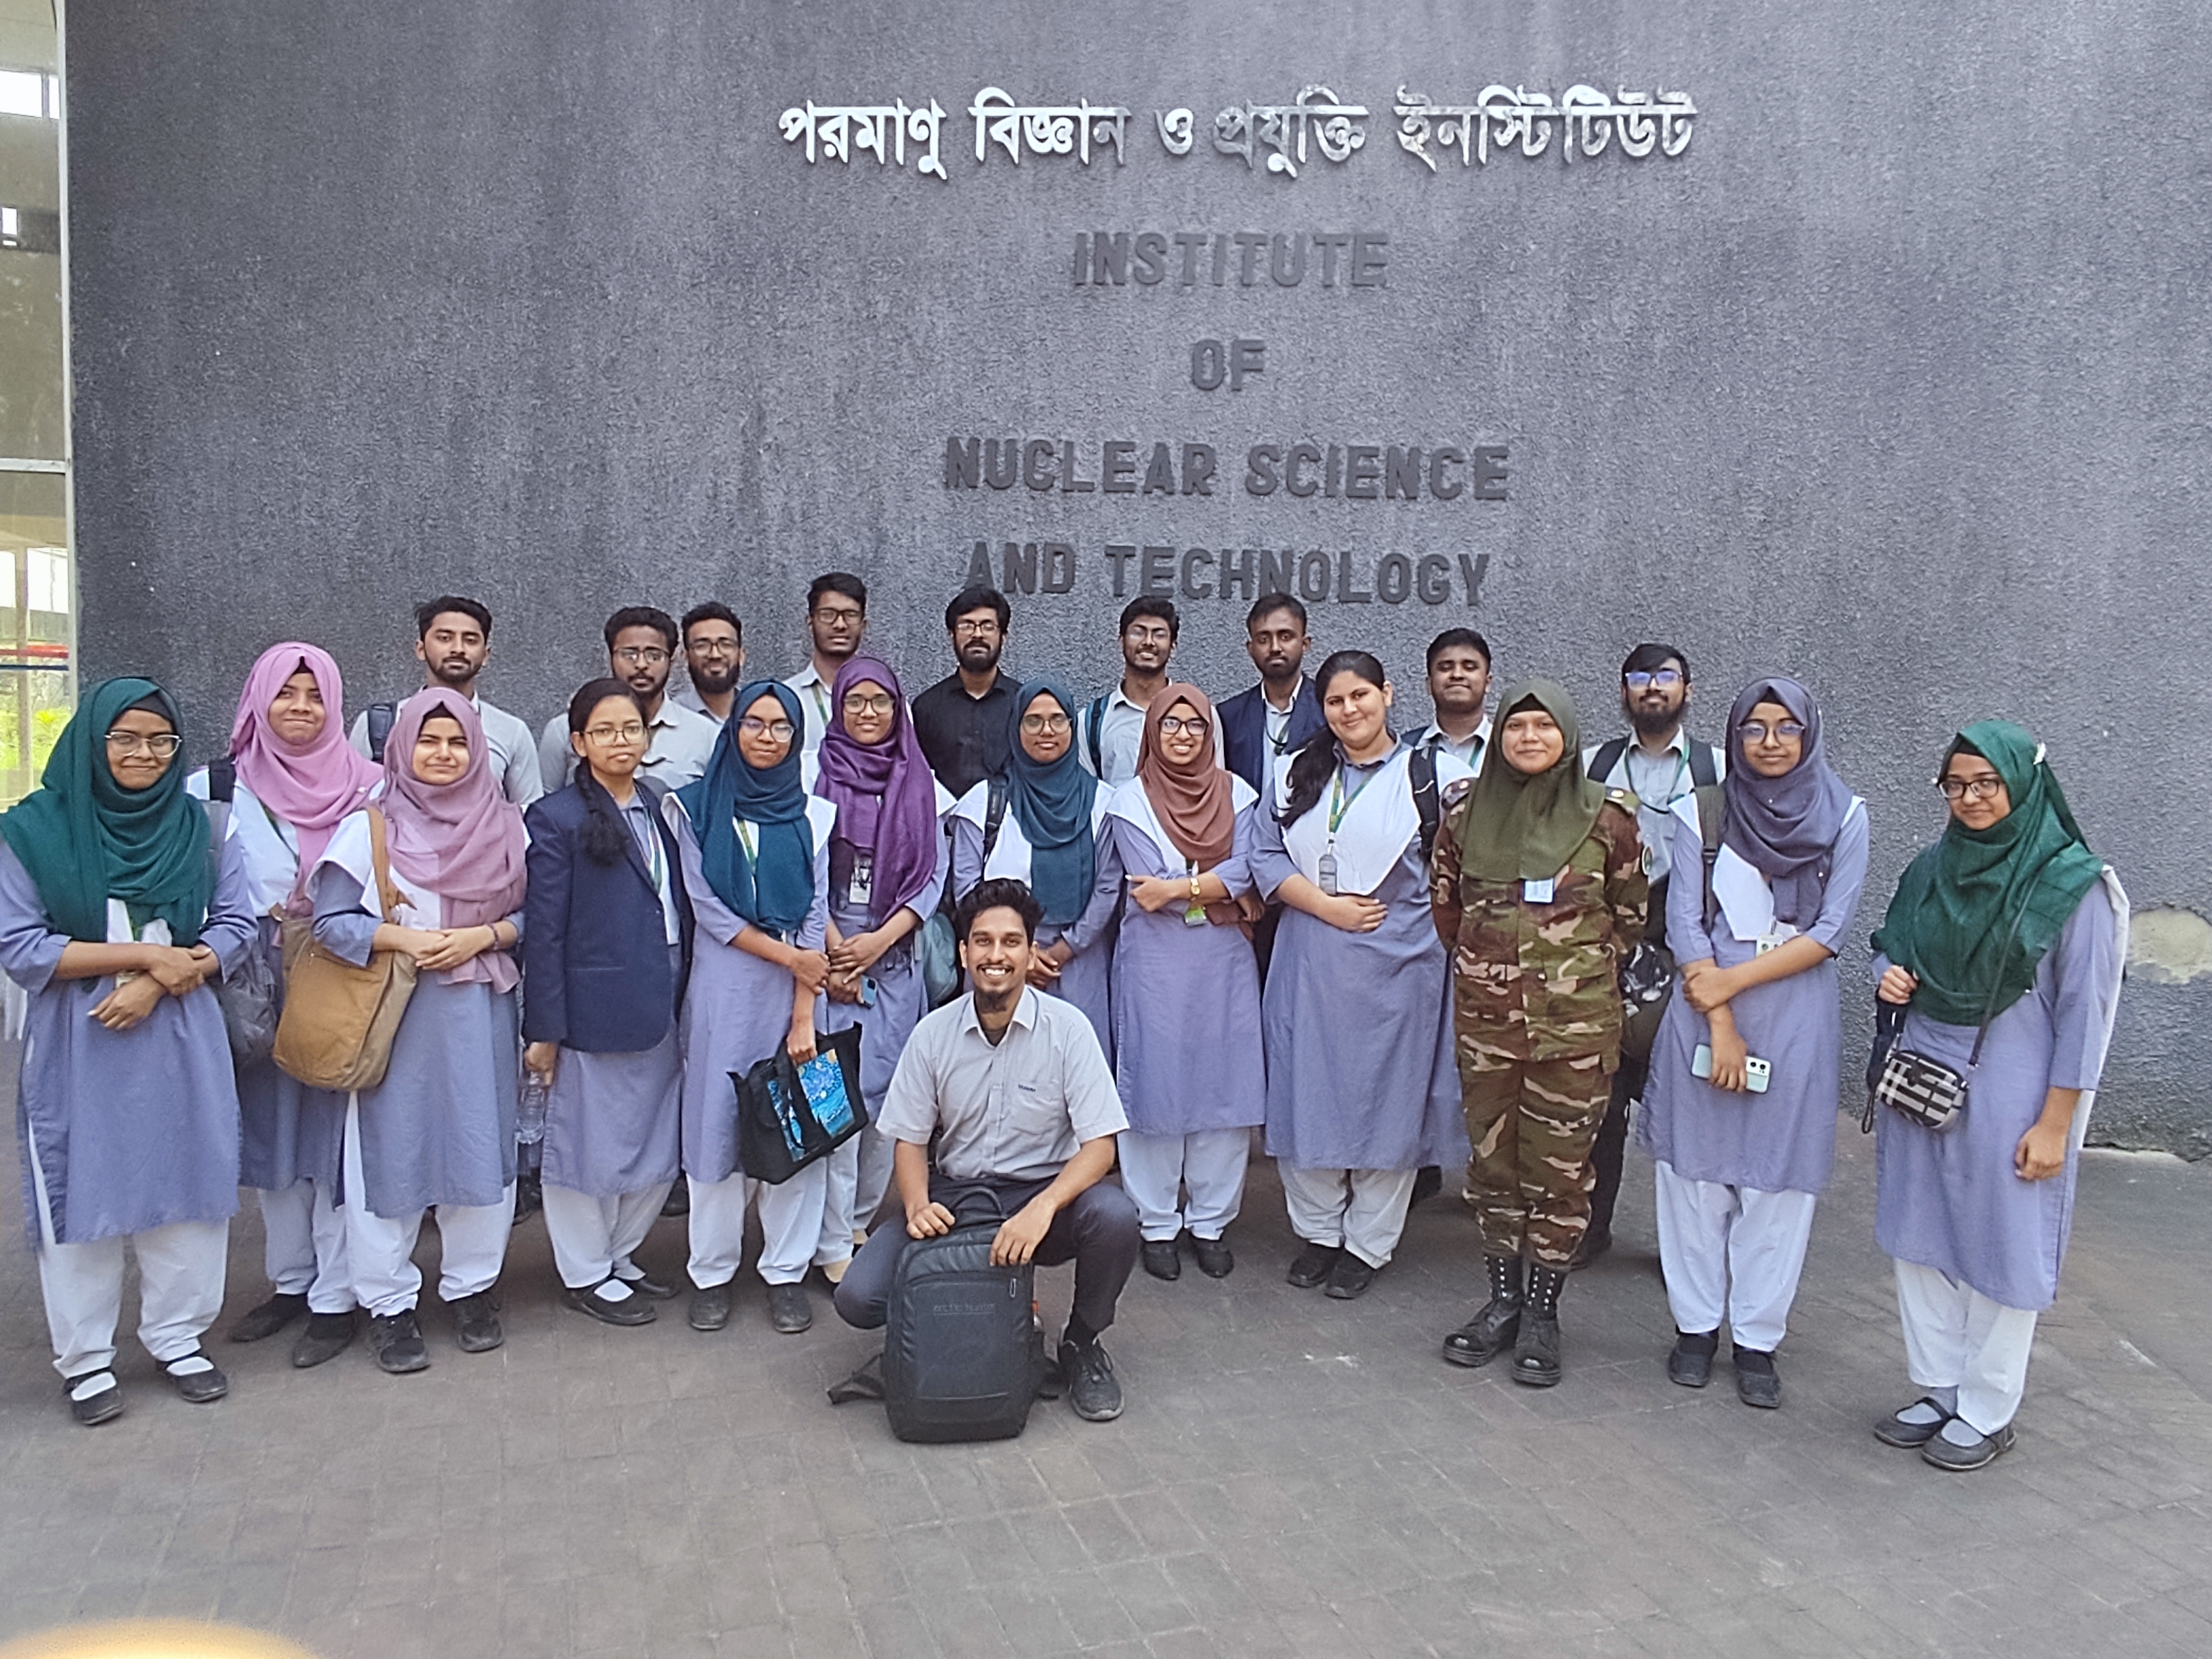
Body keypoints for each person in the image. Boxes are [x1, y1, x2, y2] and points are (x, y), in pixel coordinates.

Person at [1867, 722, 2125, 1471]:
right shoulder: (1931, 866)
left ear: (2023, 783)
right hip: (1924, 1076)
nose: (1971, 798)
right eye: (1956, 784)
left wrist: (2056, 1124)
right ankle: (1939, 1388)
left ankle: (1987, 1408)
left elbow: (2084, 1017)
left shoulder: (2073, 886)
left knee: (2002, 1246)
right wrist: (1888, 976)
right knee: (1920, 1238)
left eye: (1987, 782)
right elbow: (1892, 942)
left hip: (2016, 1090)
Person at [1, 680, 255, 1424]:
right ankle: (85, 1360)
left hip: (180, 1033)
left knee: (188, 1183)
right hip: (81, 1037)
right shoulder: (31, 832)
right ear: (92, 741)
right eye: (125, 738)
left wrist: (162, 979)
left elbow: (237, 924)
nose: (144, 754)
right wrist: (146, 959)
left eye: (160, 741)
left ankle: (179, 1338)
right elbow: (22, 945)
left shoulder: (202, 826)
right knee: (83, 1187)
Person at [1637, 678, 1868, 1407]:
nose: (1770, 742)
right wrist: (1722, 1022)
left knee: (1777, 1183)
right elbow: (1685, 925)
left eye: (1786, 728)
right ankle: (1695, 1328)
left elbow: (1829, 932)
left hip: (1792, 1011)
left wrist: (1730, 987)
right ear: (1734, 735)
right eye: (1754, 728)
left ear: (1809, 734)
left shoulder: (1846, 816)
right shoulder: (1701, 810)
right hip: (1703, 1007)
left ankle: (1757, 1338)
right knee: (1694, 1179)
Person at [832, 878, 1141, 1422]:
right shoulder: (932, 1035)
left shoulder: (1068, 1029)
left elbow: (1101, 1146)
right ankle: (943, 1328)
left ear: (1030, 953)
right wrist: (917, 1205)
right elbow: (910, 1139)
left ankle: (1082, 1343)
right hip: (956, 1198)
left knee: (1115, 1217)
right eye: (983, 941)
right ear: (963, 952)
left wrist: (1043, 1208)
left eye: (1011, 942)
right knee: (858, 1298)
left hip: (1043, 1199)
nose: (996, 955)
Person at [309, 691, 528, 1374]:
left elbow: (538, 915)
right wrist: (403, 938)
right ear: (401, 747)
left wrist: (484, 936)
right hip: (394, 1017)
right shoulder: (370, 827)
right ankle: (388, 1304)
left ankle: (471, 1288)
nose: (443, 754)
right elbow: (330, 923)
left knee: (480, 1147)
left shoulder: (509, 826)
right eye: (429, 741)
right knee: (389, 1152)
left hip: (480, 1012)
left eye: (457, 742)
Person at [1435, 680, 1645, 1387]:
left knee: (1560, 1175)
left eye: (1544, 726)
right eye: (1517, 726)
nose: (1529, 737)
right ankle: (1501, 1302)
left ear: (1568, 736)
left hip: (1574, 1035)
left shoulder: (1608, 818)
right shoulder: (1463, 815)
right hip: (1486, 1029)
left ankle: (1543, 1313)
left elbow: (1629, 916)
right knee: (1493, 1168)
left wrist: (1566, 980)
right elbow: (1447, 911)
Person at [1252, 651, 1473, 1300]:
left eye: (1360, 696)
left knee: (1387, 1103)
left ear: (1388, 694)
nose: (1349, 710)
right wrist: (1326, 907)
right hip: (1310, 963)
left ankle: (1368, 1243)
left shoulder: (1434, 778)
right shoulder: (1295, 773)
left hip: (1400, 971)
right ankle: (1318, 1233)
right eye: (1335, 701)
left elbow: (1463, 873)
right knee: (1307, 1094)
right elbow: (1263, 853)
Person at [188, 643, 376, 1370]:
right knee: (273, 1137)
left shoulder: (371, 785)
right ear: (257, 700)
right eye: (285, 694)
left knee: (336, 1139)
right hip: (252, 979)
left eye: (315, 696)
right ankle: (292, 1281)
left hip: (342, 975)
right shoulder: (215, 787)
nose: (301, 708)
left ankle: (338, 1295)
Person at [665, 682, 837, 1335]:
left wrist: (803, 1010)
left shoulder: (814, 815)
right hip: (725, 988)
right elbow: (708, 910)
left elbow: (816, 912)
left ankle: (785, 1271)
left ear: (797, 738)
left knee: (798, 1127)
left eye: (781, 727)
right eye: (755, 724)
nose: (768, 737)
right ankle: (711, 1273)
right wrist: (790, 957)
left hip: (797, 993)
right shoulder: (694, 807)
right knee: (714, 1127)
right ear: (733, 730)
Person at [523, 680, 694, 1326]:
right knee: (585, 1142)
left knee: (652, 1135)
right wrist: (544, 1029)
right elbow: (544, 931)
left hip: (663, 991)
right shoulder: (556, 817)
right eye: (605, 731)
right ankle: (585, 1271)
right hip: (593, 1003)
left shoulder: (658, 803)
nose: (621, 741)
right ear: (578, 742)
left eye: (631, 729)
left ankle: (620, 1254)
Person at [1099, 686, 1264, 1281]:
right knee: (1157, 1082)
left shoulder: (1239, 794)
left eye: (1196, 725)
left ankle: (1211, 1222)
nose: (1183, 736)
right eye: (1171, 724)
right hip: (1155, 961)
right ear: (1152, 732)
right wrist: (1218, 891)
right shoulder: (1128, 800)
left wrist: (1183, 887)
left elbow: (1250, 867)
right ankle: (1157, 1223)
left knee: (1224, 1085)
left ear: (1210, 733)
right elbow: (1146, 885)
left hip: (1224, 961)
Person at [1579, 642, 1727, 1263]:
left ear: (1687, 689)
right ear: (1624, 691)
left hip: (1691, 947)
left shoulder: (1719, 769)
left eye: (1666, 676)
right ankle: (1590, 1229)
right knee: (1602, 1099)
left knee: (1685, 1109)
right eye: (1640, 677)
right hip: (1608, 944)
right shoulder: (1591, 765)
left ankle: (1685, 1252)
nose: (1653, 688)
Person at [812, 658, 953, 1284]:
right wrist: (838, 948)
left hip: (893, 957)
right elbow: (806, 871)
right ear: (838, 708)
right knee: (834, 1103)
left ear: (899, 710)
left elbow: (932, 878)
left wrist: (878, 942)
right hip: (830, 958)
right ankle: (826, 1237)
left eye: (881, 702)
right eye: (856, 702)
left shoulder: (920, 781)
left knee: (886, 1103)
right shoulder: (815, 775)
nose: (868, 713)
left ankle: (857, 1223)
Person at [948, 679, 1117, 1055]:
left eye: (1058, 720)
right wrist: (1019, 953)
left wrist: (1062, 951)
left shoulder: (1102, 803)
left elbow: (1108, 887)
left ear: (1072, 727)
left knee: (1075, 1063)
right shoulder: (984, 803)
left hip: (1078, 961)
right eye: (1033, 721)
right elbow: (966, 889)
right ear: (1015, 727)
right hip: (999, 957)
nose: (1046, 731)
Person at [348, 596, 543, 806]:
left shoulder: (512, 732)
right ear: (420, 649)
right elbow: (354, 803)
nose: (458, 649)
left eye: (470, 640)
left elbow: (529, 813)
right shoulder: (378, 725)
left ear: (486, 655)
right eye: (444, 638)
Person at [539, 606, 720, 793]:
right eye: (629, 654)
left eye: (654, 655)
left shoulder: (705, 734)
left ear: (671, 661)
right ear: (610, 657)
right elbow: (545, 803)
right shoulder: (565, 729)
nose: (641, 664)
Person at [911, 585, 1022, 798]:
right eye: (967, 625)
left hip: (1010, 818)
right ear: (952, 635)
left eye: (988, 626)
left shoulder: (1024, 704)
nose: (977, 634)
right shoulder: (926, 707)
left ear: (1003, 636)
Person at [1217, 593, 1324, 801]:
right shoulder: (1228, 716)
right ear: (1251, 649)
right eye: (1263, 639)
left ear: (1305, 644)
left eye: (1286, 637)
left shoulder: (1328, 710)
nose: (1275, 647)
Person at [1077, 597, 1190, 786]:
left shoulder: (1198, 715)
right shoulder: (1090, 721)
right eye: (1138, 633)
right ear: (1121, 641)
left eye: (1159, 635)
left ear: (1173, 647)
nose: (1148, 642)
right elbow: (1089, 792)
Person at [786, 573, 869, 756]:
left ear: (863, 625)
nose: (840, 624)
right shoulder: (787, 699)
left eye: (850, 615)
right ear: (810, 622)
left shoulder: (886, 702)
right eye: (828, 615)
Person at [1412, 629, 1494, 770]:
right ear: (1429, 684)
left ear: (1487, 683)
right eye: (1445, 668)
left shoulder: (1507, 746)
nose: (1457, 675)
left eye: (1469, 667)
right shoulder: (1408, 749)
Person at [673, 602, 745, 724]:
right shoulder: (673, 716)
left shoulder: (760, 713)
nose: (715, 655)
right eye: (702, 646)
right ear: (685, 656)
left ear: (741, 655)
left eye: (726, 645)